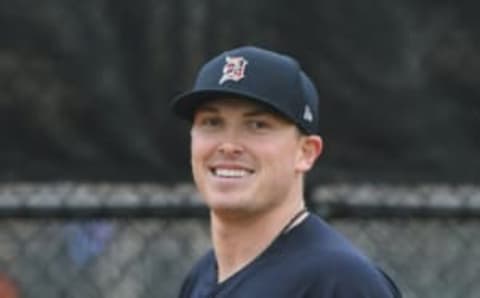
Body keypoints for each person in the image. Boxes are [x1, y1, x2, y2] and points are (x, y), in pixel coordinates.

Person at [171, 46, 402, 298]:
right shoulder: (201, 276)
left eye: (257, 125)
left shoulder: (340, 281)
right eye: (212, 123)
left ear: (306, 152)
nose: (229, 145)